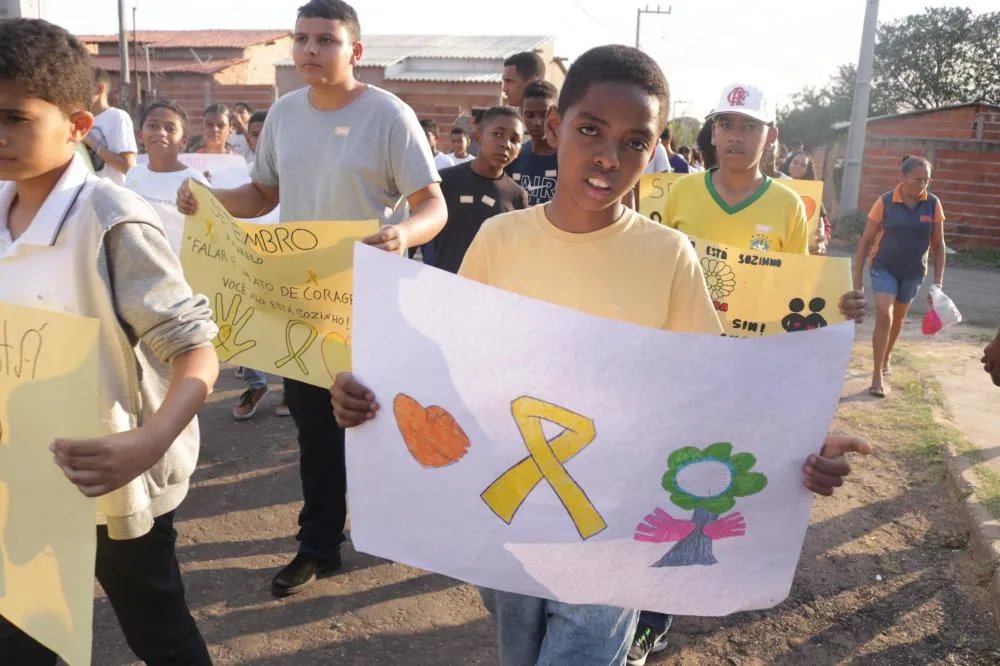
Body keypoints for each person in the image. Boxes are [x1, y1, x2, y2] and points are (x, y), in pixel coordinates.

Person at [332, 44, 870, 666]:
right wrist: (371, 395)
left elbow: (709, 391)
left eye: (635, 142)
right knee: (520, 650)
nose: (610, 156)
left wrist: (794, 443)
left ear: (655, 147)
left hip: (613, 522)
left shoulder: (668, 257)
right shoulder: (499, 240)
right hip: (507, 516)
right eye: (590, 130)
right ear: (555, 126)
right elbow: (450, 366)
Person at [177, 0, 446, 597]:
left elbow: (432, 204)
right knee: (316, 431)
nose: (310, 50)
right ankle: (318, 546)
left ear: (355, 51)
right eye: (301, 38)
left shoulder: (389, 116)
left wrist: (402, 233)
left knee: (381, 420)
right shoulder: (284, 114)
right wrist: (210, 202)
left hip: (372, 300)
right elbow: (262, 194)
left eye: (325, 39)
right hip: (302, 303)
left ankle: (403, 528)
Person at [0, 18, 219, 665]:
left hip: (111, 477)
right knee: (26, 633)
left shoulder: (111, 219)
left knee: (158, 631)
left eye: (15, 118)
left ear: (77, 126)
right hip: (20, 475)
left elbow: (196, 350)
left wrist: (147, 443)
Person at [631, 81, 867, 665]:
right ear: (713, 132)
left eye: (749, 127)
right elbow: (643, 268)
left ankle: (680, 595)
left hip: (748, 370)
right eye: (727, 125)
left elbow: (799, 293)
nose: (736, 137)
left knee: (717, 476)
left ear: (770, 135)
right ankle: (644, 609)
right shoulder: (673, 193)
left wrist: (838, 305)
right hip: (678, 363)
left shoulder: (789, 207)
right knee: (656, 475)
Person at [853, 155, 946, 398]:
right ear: (903, 177)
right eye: (917, 179)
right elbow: (865, 242)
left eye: (926, 180)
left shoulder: (933, 204)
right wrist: (857, 282)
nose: (922, 184)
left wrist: (938, 282)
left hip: (913, 271)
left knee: (898, 320)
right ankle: (877, 375)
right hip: (883, 266)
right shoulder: (885, 202)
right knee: (885, 314)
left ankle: (887, 356)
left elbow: (939, 245)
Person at [232, 108, 287, 420]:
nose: (262, 140)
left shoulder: (298, 172)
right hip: (247, 263)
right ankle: (256, 385)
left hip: (289, 263)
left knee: (289, 327)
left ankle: (291, 390)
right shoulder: (236, 175)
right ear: (248, 139)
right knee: (245, 323)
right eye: (255, 134)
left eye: (269, 134)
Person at [428, 106, 528, 273]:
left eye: (514, 139)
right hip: (444, 282)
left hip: (490, 285)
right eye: (498, 134)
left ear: (519, 150)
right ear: (478, 137)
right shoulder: (445, 181)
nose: (506, 144)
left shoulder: (517, 196)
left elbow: (516, 250)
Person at [124, 99, 209, 255]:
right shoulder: (133, 174)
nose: (161, 133)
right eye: (153, 126)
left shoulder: (194, 181)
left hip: (178, 266)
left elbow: (209, 230)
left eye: (170, 129)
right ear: (140, 135)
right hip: (139, 263)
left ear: (184, 141)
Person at [507, 79, 559, 206]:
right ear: (522, 115)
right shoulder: (513, 156)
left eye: (544, 115)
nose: (537, 122)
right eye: (530, 115)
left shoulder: (568, 159)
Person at [84, 68, 137, 184]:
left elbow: (128, 168)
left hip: (112, 193)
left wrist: (89, 141)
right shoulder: (78, 119)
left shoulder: (118, 117)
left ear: (99, 89)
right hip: (85, 193)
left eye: (82, 87)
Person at [783, 149, 832, 255]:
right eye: (795, 162)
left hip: (802, 245)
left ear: (807, 170)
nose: (798, 167)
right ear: (789, 163)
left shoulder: (812, 192)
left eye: (803, 165)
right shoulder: (775, 184)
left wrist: (822, 236)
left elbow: (822, 221)